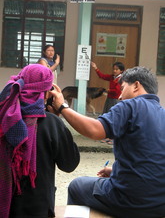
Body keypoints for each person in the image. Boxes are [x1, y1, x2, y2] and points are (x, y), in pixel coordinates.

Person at [50, 66, 165, 218]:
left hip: (130, 200)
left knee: (76, 186)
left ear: (136, 86)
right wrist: (116, 170)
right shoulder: (162, 113)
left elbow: (95, 130)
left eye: (123, 88)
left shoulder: (130, 106)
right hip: (160, 203)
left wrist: (62, 107)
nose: (120, 96)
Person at [0, 64, 80, 218]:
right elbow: (69, 164)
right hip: (38, 211)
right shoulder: (52, 124)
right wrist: (59, 114)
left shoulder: (4, 116)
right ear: (47, 93)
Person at [91, 61, 125, 144]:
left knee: (114, 118)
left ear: (121, 71)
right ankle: (107, 136)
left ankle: (113, 138)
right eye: (114, 69)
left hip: (115, 100)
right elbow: (102, 76)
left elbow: (117, 91)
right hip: (109, 99)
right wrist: (96, 68)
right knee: (106, 116)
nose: (114, 71)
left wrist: (108, 90)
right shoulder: (112, 77)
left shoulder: (121, 79)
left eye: (116, 69)